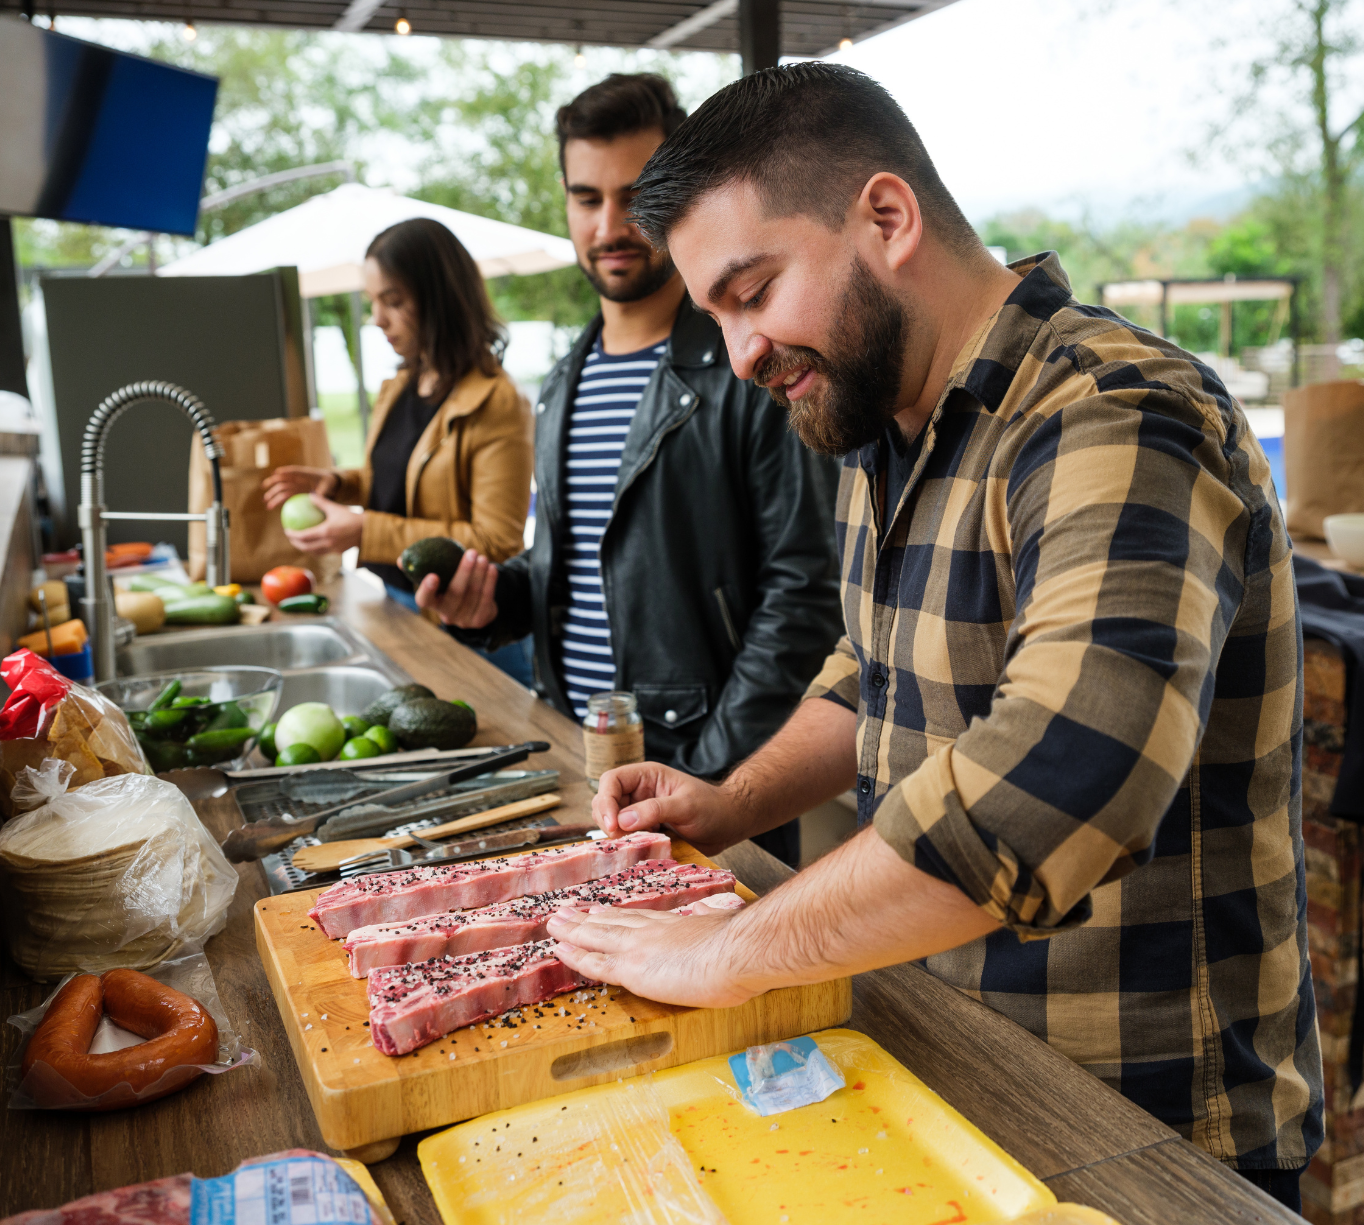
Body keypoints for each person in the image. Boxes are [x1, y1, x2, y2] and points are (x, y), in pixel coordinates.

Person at [541, 64, 1324, 1211]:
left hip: (1145, 1126)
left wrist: (725, 949)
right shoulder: (882, 420)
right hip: (950, 1067)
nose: (745, 352)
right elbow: (872, 673)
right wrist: (729, 802)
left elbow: (1063, 775)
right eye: (719, 315)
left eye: (754, 290)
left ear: (888, 218)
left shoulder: (1115, 411)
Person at [413, 74, 843, 867]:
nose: (609, 225)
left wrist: (709, 775)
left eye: (635, 193)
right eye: (586, 198)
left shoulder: (750, 365)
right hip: (576, 762)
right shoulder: (562, 377)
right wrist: (497, 601)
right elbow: (577, 565)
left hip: (709, 775)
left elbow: (806, 595)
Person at [265, 218, 536, 681]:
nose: (376, 317)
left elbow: (497, 542)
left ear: (441, 300)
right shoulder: (402, 384)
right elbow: (398, 480)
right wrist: (338, 483)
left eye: (393, 301)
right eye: (373, 300)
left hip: (466, 627)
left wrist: (364, 531)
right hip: (396, 604)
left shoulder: (499, 403)